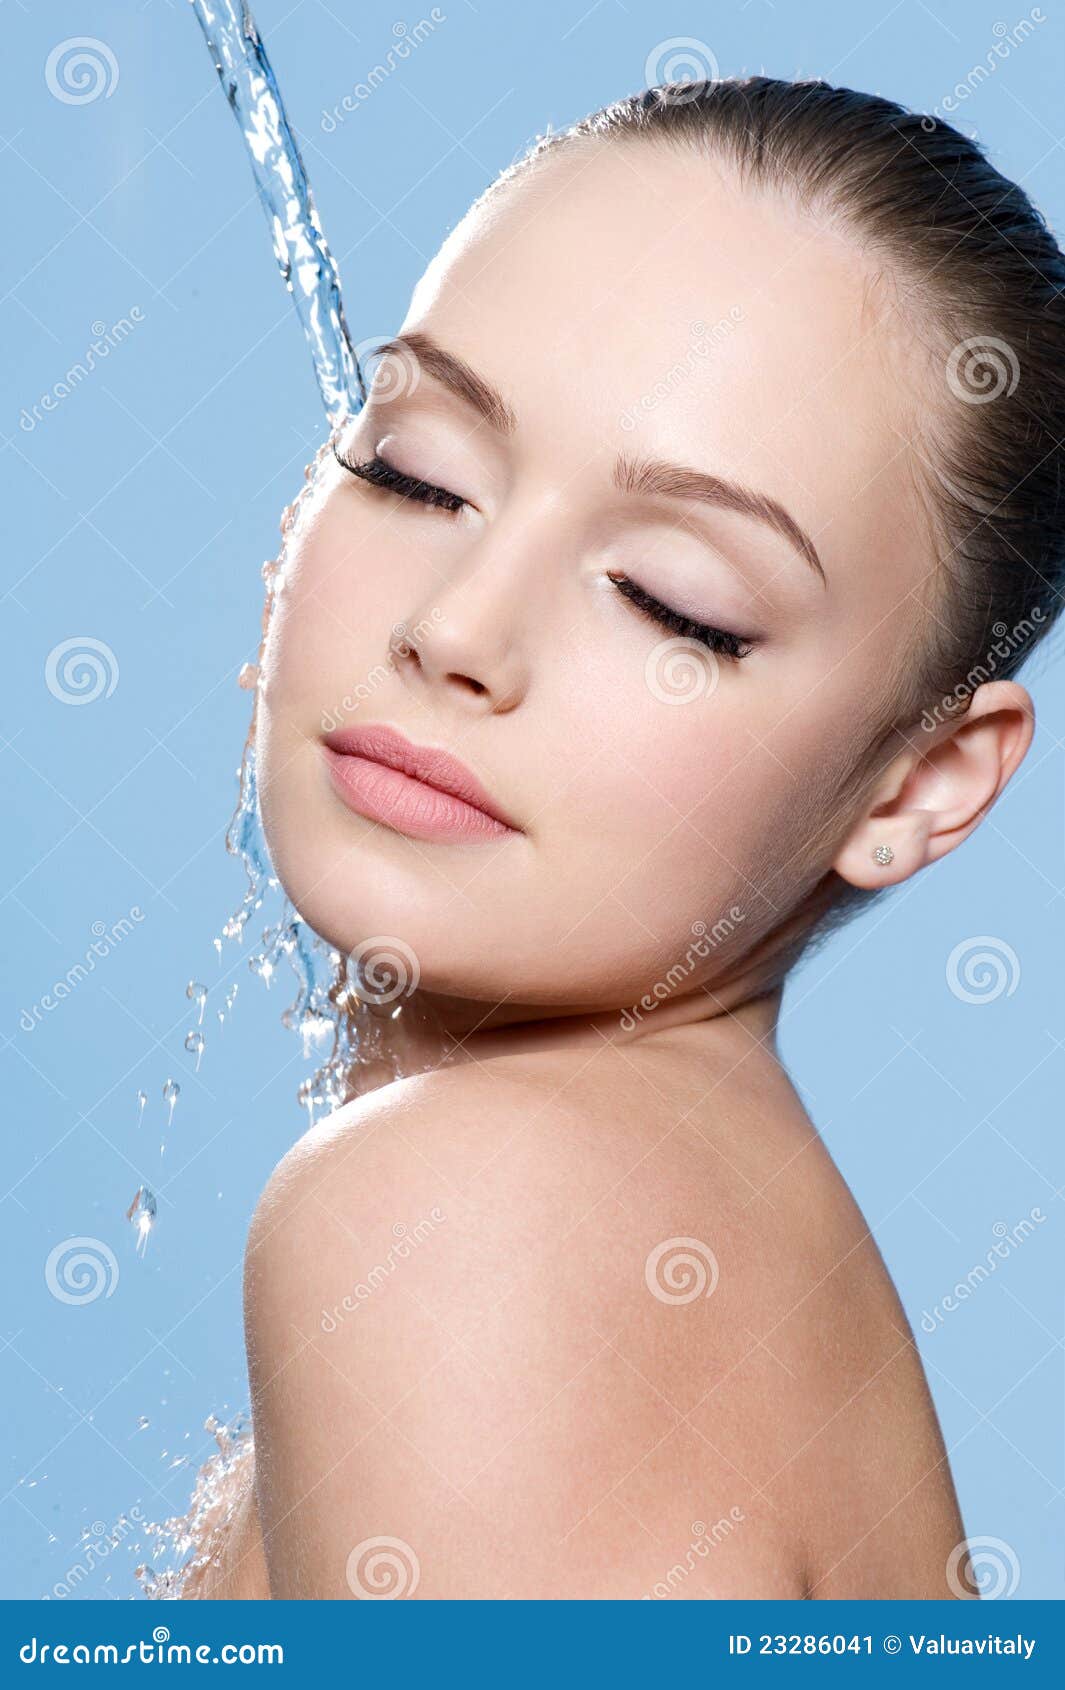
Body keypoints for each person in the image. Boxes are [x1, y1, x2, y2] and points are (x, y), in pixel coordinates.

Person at [183, 76, 1064, 1599]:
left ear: (919, 784)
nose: (454, 630)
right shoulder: (709, 1236)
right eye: (414, 469)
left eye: (674, 603)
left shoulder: (474, 1215)